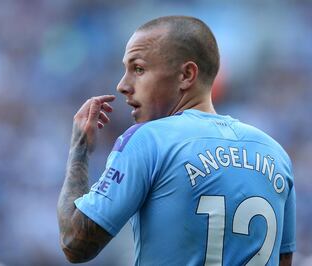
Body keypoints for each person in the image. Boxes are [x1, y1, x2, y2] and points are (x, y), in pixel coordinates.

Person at [57, 16, 295, 265]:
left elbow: (74, 243)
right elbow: (284, 259)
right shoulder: (275, 154)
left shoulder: (148, 139)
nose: (122, 85)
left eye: (138, 69)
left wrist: (79, 149)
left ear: (186, 75)